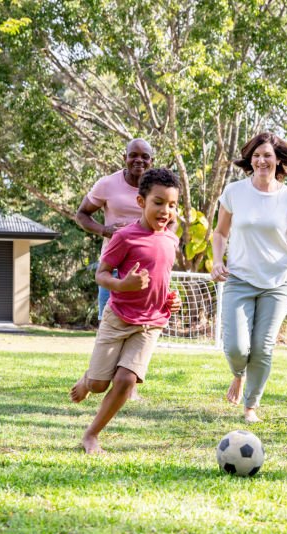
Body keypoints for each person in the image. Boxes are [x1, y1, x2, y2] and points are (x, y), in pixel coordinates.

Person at [211, 132, 287, 423]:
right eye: (256, 155)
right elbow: (221, 233)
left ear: (278, 161)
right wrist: (216, 261)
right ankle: (238, 373)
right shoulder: (234, 192)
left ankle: (251, 406)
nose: (261, 160)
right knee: (236, 347)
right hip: (239, 278)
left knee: (263, 346)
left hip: (277, 282)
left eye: (267, 156)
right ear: (251, 159)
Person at [70, 168, 182, 453]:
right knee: (98, 384)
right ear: (141, 202)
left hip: (151, 323)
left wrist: (170, 298)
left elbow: (163, 278)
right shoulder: (124, 237)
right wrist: (123, 285)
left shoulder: (171, 239)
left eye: (172, 205)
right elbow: (102, 274)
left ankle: (91, 434)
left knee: (125, 380)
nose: (165, 211)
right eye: (158, 202)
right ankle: (87, 379)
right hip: (118, 317)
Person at [75, 138, 155, 400]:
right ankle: (95, 377)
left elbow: (171, 219)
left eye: (145, 157)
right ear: (125, 158)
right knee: (109, 324)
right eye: (134, 155)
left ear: (151, 161)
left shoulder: (156, 186)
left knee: (140, 325)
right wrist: (105, 230)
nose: (139, 161)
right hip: (113, 268)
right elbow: (82, 214)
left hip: (146, 271)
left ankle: (127, 385)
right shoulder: (107, 184)